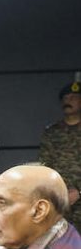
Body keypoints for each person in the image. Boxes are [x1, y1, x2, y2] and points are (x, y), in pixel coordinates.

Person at [39, 78, 81, 231]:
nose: (67, 101)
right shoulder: (52, 132)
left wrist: (79, 192)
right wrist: (57, 192)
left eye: (73, 97)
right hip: (58, 198)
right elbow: (45, 165)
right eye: (65, 98)